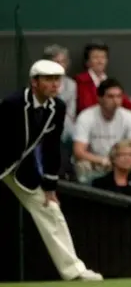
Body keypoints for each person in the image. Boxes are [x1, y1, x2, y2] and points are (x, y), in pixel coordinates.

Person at [0, 60, 102, 281]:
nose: (55, 85)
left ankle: (74, 271)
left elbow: (51, 146)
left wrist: (49, 185)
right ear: (34, 83)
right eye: (48, 79)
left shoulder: (58, 108)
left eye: (57, 80)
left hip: (21, 170)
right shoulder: (12, 103)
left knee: (51, 210)